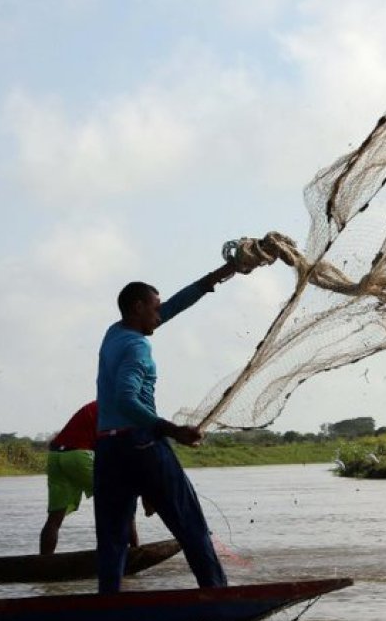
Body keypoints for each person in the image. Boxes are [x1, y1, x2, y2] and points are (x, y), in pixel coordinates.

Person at [93, 240, 276, 594]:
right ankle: (217, 598)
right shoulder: (137, 347)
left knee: (112, 540)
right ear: (136, 308)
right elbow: (126, 398)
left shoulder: (114, 333)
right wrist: (172, 431)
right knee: (190, 525)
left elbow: (174, 306)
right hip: (141, 445)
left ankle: (107, 608)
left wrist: (225, 273)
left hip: (108, 450)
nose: (159, 315)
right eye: (154, 309)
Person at [39, 400, 140, 555]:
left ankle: (43, 563)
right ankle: (135, 551)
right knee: (122, 499)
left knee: (55, 517)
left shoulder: (101, 404)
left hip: (55, 455)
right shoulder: (121, 409)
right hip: (78, 454)